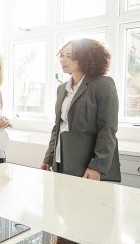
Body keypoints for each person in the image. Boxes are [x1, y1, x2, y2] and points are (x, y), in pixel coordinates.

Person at [41, 38, 121, 182]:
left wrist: (97, 166)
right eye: (62, 55)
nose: (63, 60)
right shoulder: (61, 89)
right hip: (60, 160)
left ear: (85, 58)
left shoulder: (103, 84)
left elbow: (107, 129)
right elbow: (58, 126)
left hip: (87, 164)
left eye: (69, 56)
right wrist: (49, 158)